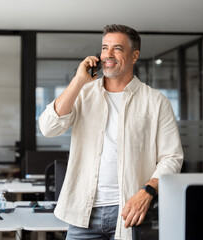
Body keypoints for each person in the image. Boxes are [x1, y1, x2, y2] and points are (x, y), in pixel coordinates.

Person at [38, 24, 183, 240]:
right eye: (105, 48)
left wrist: (148, 191)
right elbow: (48, 128)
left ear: (134, 55)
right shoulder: (83, 93)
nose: (108, 55)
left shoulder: (156, 102)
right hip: (83, 212)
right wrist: (78, 80)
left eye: (117, 49)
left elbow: (172, 157)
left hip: (131, 212)